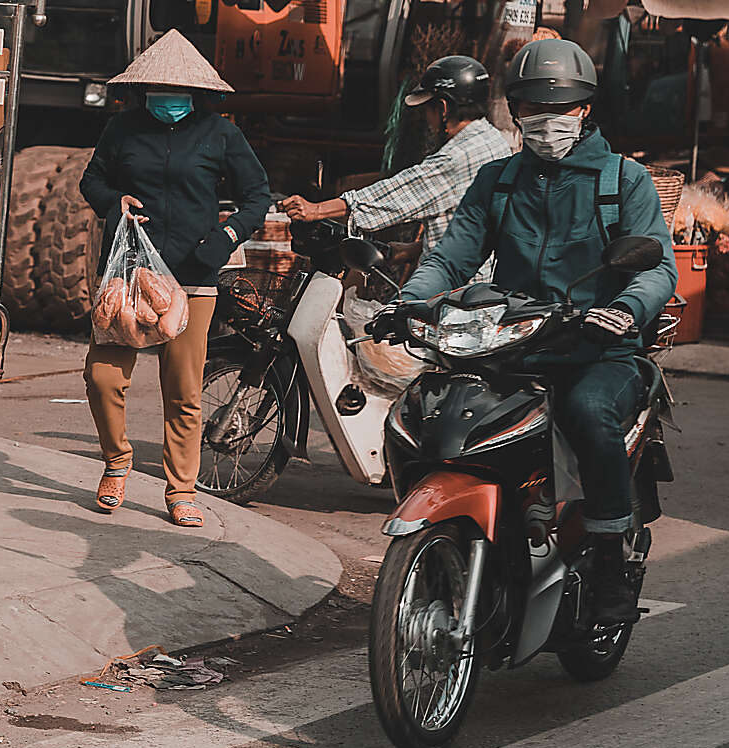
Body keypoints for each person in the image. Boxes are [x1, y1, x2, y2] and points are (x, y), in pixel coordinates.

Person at [372, 38, 678, 623]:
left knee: (590, 412)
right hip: (511, 344)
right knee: (435, 413)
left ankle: (610, 557)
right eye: (532, 108)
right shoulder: (497, 180)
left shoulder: (624, 179)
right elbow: (452, 256)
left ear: (584, 109)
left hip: (599, 348)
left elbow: (658, 264)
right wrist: (410, 302)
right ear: (513, 111)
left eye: (559, 107)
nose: (546, 121)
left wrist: (626, 308)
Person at [79, 30, 272, 526]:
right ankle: (116, 461)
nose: (168, 101)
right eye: (158, 92)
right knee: (102, 378)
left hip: (193, 277)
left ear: (197, 94)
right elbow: (92, 180)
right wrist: (113, 202)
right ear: (143, 90)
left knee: (183, 389)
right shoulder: (123, 129)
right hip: (128, 274)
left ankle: (180, 489)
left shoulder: (221, 134)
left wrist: (225, 237)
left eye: (177, 93)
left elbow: (257, 197)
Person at [278, 55, 513, 265]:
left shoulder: (455, 158)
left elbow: (396, 194)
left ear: (442, 109)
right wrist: (413, 250)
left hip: (450, 290)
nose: (427, 121)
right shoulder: (493, 141)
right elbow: (468, 221)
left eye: (427, 111)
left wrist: (316, 210)